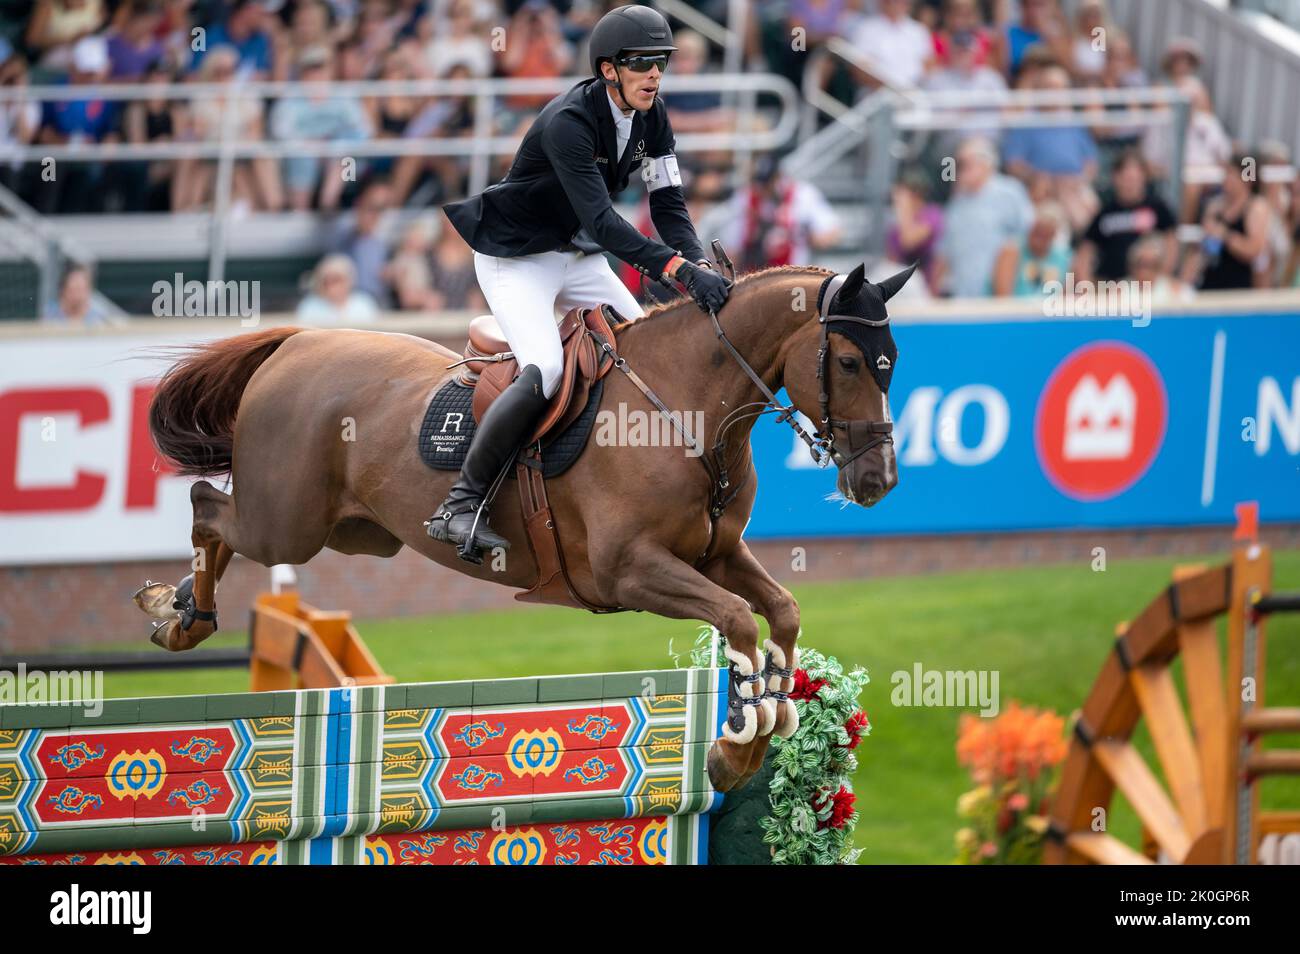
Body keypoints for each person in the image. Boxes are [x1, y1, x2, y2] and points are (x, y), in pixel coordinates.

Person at [429, 4, 728, 559]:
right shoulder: (570, 121)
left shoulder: (652, 114)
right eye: (642, 62)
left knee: (649, 358)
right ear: (608, 69)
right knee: (543, 370)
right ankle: (460, 505)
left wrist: (696, 262)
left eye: (661, 61)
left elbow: (667, 202)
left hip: (576, 255)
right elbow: (605, 222)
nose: (655, 74)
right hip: (515, 258)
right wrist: (676, 271)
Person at [933, 137, 1034, 297]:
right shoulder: (957, 203)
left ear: (985, 164)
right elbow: (944, 252)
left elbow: (1029, 236)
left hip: (1004, 297)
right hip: (963, 298)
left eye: (965, 164)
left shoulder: (1010, 192)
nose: (958, 170)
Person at [719, 153, 841, 271]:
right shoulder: (744, 199)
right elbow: (731, 250)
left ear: (779, 177)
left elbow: (831, 232)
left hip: (793, 277)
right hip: (754, 277)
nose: (763, 188)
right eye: (760, 182)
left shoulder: (803, 195)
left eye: (768, 182)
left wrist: (804, 235)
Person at [1073, 150, 1177, 283]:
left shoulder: (1158, 208)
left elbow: (1171, 244)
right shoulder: (1105, 213)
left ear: (1144, 177)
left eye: (1134, 178)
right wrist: (1086, 285)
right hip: (1112, 286)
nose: (1130, 184)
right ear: (1115, 178)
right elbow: (1086, 252)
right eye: (1125, 178)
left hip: (1148, 286)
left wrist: (1162, 279)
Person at [1186, 153, 1271, 291]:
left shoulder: (1256, 208)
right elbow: (1201, 250)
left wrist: (1225, 236)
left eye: (1231, 174)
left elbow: (1255, 250)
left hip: (1239, 288)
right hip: (1210, 283)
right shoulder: (1214, 206)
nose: (1226, 179)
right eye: (1225, 173)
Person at [296, 254, 381, 325]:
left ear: (349, 280)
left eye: (336, 279)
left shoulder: (363, 303)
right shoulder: (310, 306)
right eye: (326, 280)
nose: (331, 284)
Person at [43, 263, 113, 325]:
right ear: (63, 290)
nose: (77, 295)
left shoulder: (99, 318)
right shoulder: (50, 316)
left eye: (81, 289)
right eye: (73, 289)